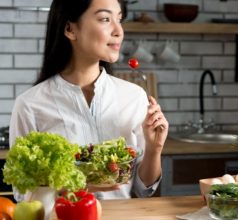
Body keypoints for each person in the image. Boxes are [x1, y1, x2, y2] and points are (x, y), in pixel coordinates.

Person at [10, 0, 168, 201]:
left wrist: (155, 149)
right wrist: (77, 186)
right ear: (70, 29)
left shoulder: (134, 96)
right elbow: (24, 193)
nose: (119, 30)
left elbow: (143, 189)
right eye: (105, 19)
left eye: (119, 19)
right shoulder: (30, 105)